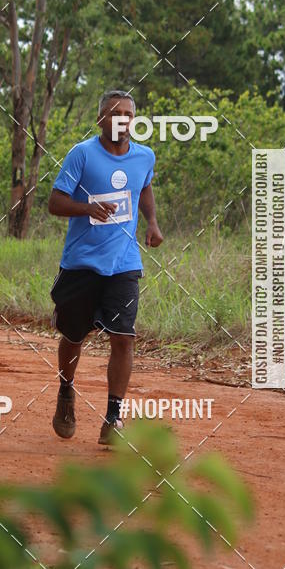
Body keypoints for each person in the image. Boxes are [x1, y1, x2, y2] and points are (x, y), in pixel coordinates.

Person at [48, 89, 163, 446]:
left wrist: (153, 223)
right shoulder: (82, 154)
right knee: (73, 336)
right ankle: (66, 391)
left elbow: (143, 189)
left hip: (124, 263)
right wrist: (87, 209)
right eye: (115, 113)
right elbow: (55, 202)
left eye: (128, 113)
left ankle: (113, 418)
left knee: (124, 338)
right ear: (101, 119)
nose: (123, 119)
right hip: (82, 263)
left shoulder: (144, 156)